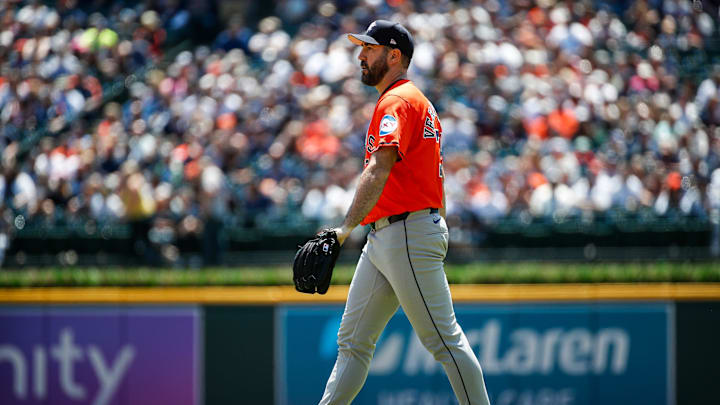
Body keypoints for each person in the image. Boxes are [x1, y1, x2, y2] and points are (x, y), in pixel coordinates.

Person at [320, 20, 491, 405]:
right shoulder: (408, 99)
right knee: (353, 342)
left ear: (393, 55)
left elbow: (379, 166)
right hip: (391, 233)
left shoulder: (397, 100)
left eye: (369, 48)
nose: (360, 55)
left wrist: (344, 229)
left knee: (444, 342)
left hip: (407, 231)